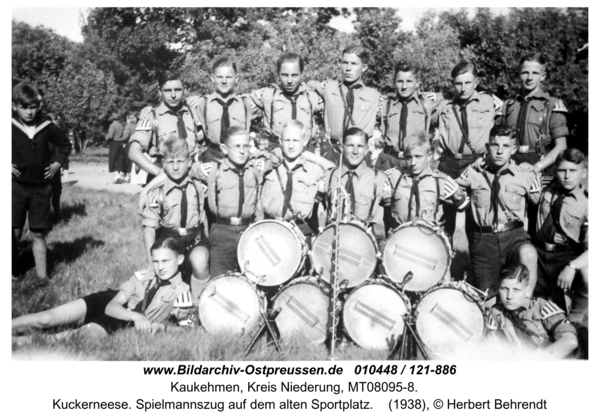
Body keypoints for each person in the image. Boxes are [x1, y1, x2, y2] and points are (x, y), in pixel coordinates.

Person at [141, 126, 282, 278]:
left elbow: (277, 157)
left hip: (248, 229)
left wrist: (257, 152)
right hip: (222, 231)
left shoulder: (256, 168)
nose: (241, 151)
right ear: (224, 148)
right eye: (236, 146)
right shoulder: (213, 170)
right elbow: (178, 170)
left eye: (245, 146)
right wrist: (147, 189)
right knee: (219, 278)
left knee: (252, 275)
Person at [12, 237, 194, 339]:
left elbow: (187, 331)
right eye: (155, 261)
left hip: (123, 323)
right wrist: (137, 315)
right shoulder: (143, 275)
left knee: (63, 338)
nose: (160, 267)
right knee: (45, 318)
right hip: (108, 302)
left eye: (165, 261)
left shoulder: (183, 292)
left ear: (179, 260)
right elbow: (111, 306)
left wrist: (162, 329)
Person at [456, 124, 540, 297]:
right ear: (487, 147)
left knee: (529, 253)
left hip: (514, 236)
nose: (500, 151)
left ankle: (525, 304)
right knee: (488, 299)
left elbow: (541, 203)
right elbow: (451, 188)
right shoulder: (472, 172)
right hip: (484, 240)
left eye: (506, 146)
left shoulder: (525, 174)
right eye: (495, 145)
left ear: (514, 149)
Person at [497, 52, 569, 235]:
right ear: (518, 74)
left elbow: (561, 146)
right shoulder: (508, 105)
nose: (529, 78)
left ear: (543, 76)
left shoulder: (552, 105)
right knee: (510, 219)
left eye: (535, 73)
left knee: (541, 223)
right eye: (524, 72)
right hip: (514, 167)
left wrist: (536, 168)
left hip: (541, 167)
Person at [435, 61, 501, 242]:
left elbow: (504, 131)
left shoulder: (489, 102)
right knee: (443, 220)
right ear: (452, 83)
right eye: (458, 83)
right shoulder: (444, 103)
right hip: (448, 163)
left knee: (476, 219)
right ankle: (444, 263)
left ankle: (476, 267)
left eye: (467, 83)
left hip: (476, 164)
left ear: (476, 81)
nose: (463, 88)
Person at [12, 84, 71, 284]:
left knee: (38, 232)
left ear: (38, 106)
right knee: (14, 231)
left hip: (41, 188)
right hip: (15, 187)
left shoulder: (46, 125)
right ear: (14, 106)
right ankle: (12, 272)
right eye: (24, 107)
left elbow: (65, 144)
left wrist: (56, 164)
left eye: (33, 107)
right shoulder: (9, 125)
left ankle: (42, 277)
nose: (29, 112)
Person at [141, 135, 210, 304]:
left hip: (195, 239)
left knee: (200, 261)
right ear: (163, 164)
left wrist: (208, 242)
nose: (176, 167)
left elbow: (202, 217)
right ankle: (171, 305)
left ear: (189, 162)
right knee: (167, 273)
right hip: (170, 240)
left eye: (180, 161)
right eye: (171, 162)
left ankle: (199, 304)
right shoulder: (157, 192)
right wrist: (152, 260)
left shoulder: (197, 186)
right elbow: (149, 228)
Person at [534, 148, 588, 324]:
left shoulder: (588, 203)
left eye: (573, 171)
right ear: (555, 171)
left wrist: (572, 267)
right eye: (562, 170)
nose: (566, 176)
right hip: (539, 253)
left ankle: (576, 320)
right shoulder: (547, 188)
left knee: (588, 276)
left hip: (565, 257)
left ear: (584, 173)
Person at [308, 45, 383, 164]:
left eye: (354, 64)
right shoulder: (329, 87)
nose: (348, 68)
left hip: (360, 155)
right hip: (332, 152)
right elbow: (310, 85)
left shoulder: (374, 96)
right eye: (344, 63)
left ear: (364, 67)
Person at [488, 263, 578, 360]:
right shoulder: (496, 312)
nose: (509, 296)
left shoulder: (542, 307)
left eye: (516, 290)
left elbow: (570, 341)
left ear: (527, 291)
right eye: (504, 289)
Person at [260, 120, 335, 236]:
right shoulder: (270, 166)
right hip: (270, 229)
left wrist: (307, 155)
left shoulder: (314, 170)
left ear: (304, 141)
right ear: (280, 141)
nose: (291, 146)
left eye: (295, 141)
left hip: (300, 232)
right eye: (287, 140)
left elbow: (333, 170)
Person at [128, 70, 201, 181]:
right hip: (164, 177)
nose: (173, 95)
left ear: (185, 89)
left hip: (191, 177)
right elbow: (133, 152)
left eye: (177, 90)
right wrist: (158, 171)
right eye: (167, 90)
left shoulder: (193, 112)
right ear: (159, 91)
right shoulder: (150, 116)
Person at [384, 131, 466, 228]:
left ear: (429, 156)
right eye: (409, 157)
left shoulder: (440, 181)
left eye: (418, 157)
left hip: (427, 237)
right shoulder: (392, 176)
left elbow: (462, 205)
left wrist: (442, 229)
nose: (413, 162)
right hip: (400, 236)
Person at [326, 127, 390, 242]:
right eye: (350, 145)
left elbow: (382, 222)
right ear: (342, 147)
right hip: (335, 242)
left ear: (366, 150)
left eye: (360, 146)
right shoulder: (330, 176)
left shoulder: (379, 179)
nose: (355, 151)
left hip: (364, 244)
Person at [249, 52, 322, 147]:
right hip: (276, 151)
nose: (289, 81)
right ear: (278, 74)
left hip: (305, 151)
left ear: (302, 74)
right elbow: (240, 107)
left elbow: (334, 107)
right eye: (285, 75)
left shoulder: (311, 96)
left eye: (294, 75)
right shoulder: (268, 95)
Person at [192, 57, 254, 163]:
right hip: (213, 155)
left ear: (236, 79)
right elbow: (201, 134)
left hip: (239, 155)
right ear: (212, 78)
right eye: (219, 77)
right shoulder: (204, 104)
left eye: (229, 77)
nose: (224, 81)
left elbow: (246, 131)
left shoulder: (244, 104)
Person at [381, 61, 439, 157]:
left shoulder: (426, 104)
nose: (404, 86)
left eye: (409, 81)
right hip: (390, 159)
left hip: (415, 159)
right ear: (394, 82)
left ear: (417, 83)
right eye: (400, 81)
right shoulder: (386, 105)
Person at [106, 112, 126, 183]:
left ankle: (117, 175)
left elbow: (110, 136)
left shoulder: (112, 125)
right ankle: (119, 174)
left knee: (113, 158)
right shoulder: (121, 126)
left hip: (114, 143)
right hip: (120, 143)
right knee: (119, 159)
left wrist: (106, 138)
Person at [119, 113, 138, 184]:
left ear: (129, 119)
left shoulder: (128, 126)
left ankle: (127, 175)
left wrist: (120, 139)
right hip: (137, 144)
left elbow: (126, 136)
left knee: (127, 160)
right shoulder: (138, 125)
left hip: (129, 144)